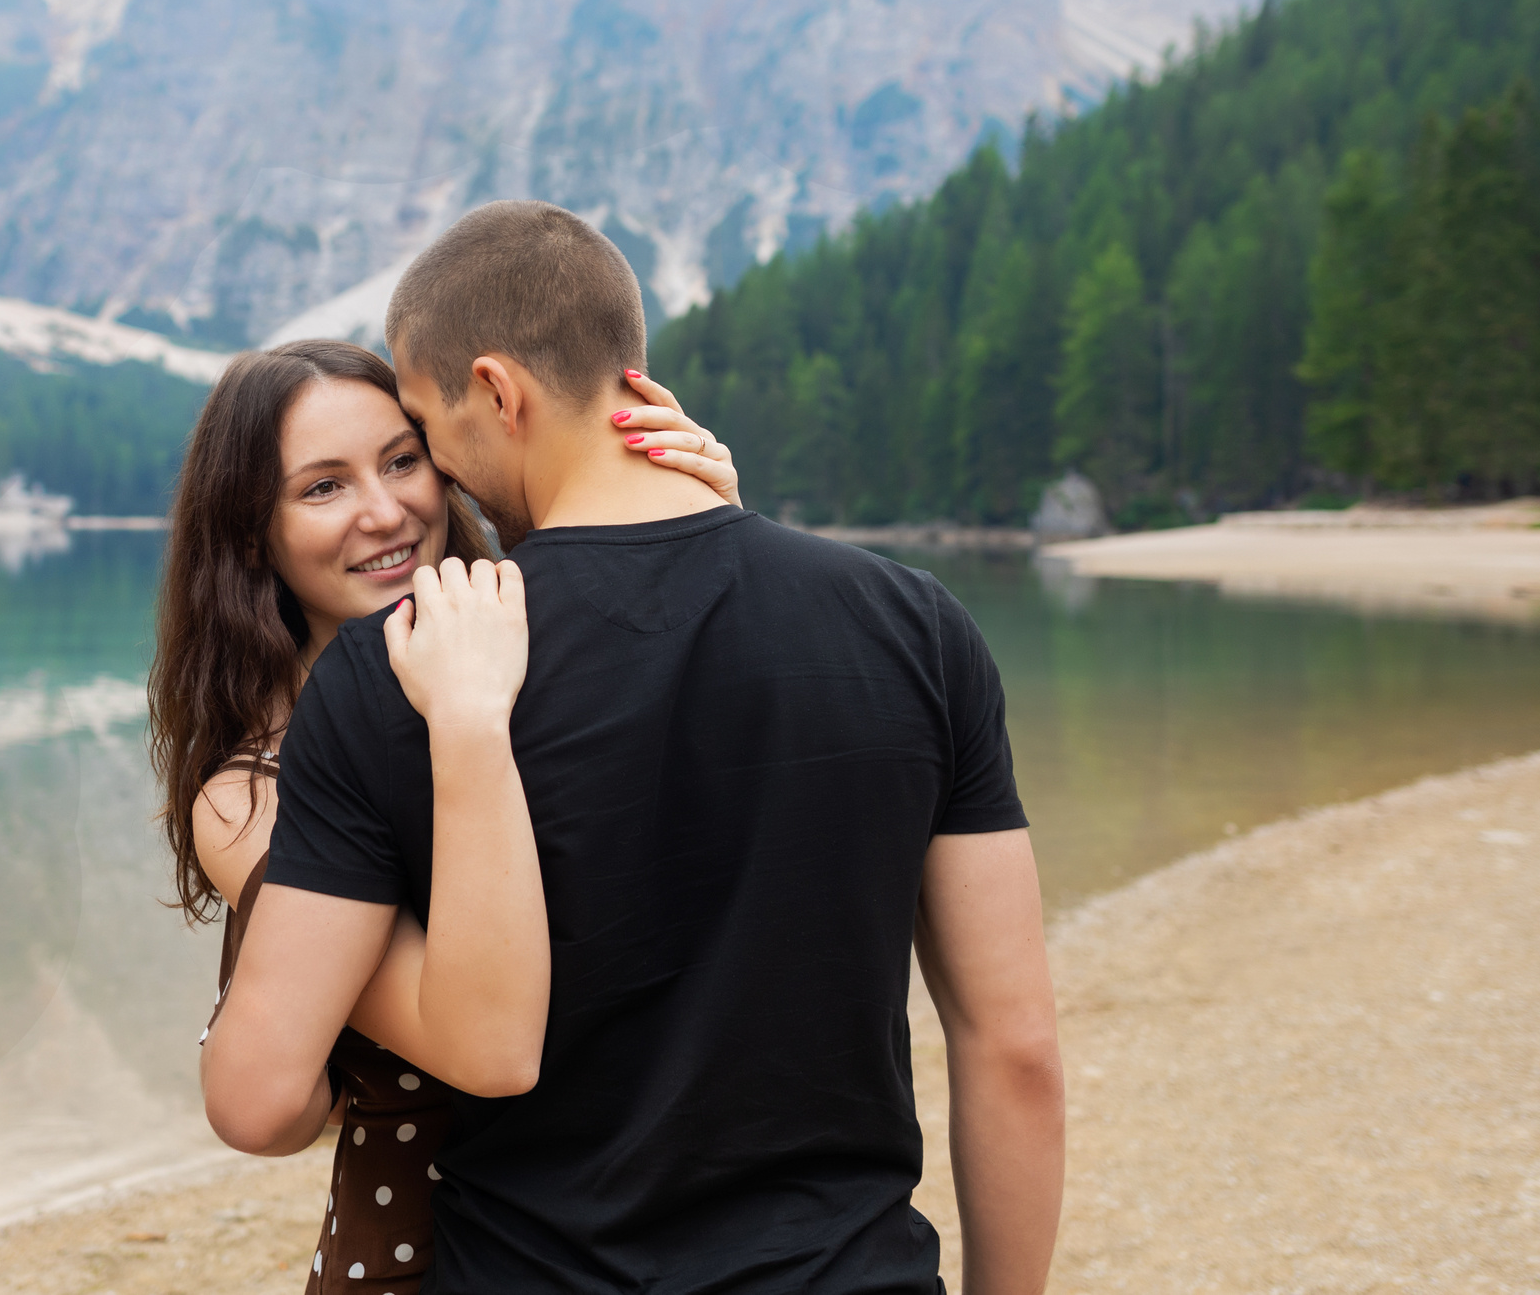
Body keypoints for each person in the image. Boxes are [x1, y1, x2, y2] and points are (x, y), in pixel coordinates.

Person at [203, 204, 1065, 1295]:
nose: (440, 487)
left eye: (426, 438)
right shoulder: (915, 626)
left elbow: (264, 1094)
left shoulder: (401, 675)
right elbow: (1016, 1047)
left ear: (497, 393)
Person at [152, 339, 739, 1293]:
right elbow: (292, 1098)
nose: (385, 512)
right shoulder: (250, 791)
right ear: (248, 534)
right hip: (424, 1253)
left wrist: (700, 527)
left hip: (648, 1226)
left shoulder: (539, 650)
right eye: (321, 488)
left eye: (400, 459)